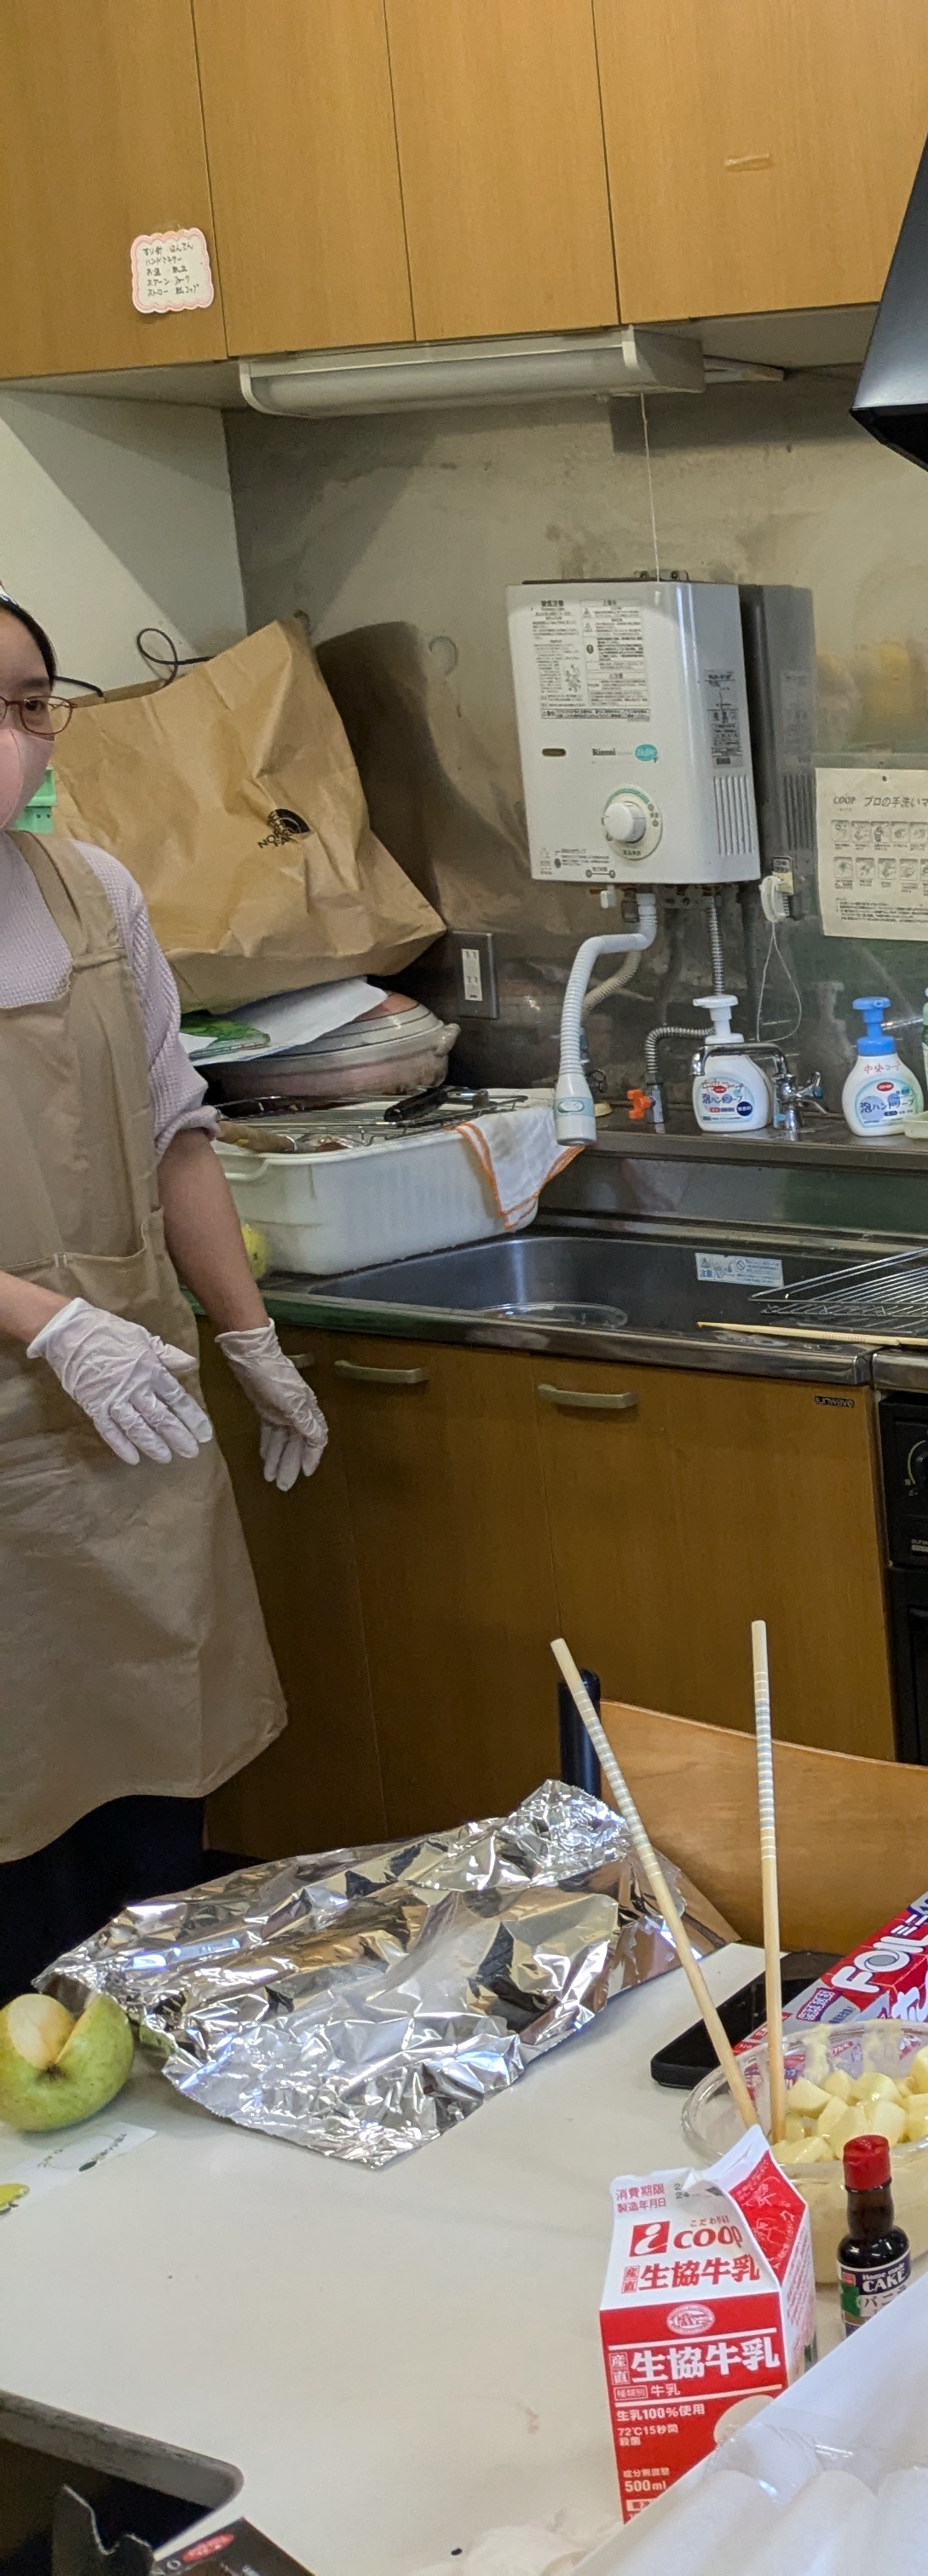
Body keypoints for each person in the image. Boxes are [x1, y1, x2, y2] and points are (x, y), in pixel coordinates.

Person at [0, 588, 325, 1993]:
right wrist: (47, 1323)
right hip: (27, 1426)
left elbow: (175, 1132)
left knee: (150, 1826)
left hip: (130, 1423)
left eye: (30, 704)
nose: (20, 737)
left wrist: (249, 1338)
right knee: (20, 1856)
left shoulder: (93, 895)